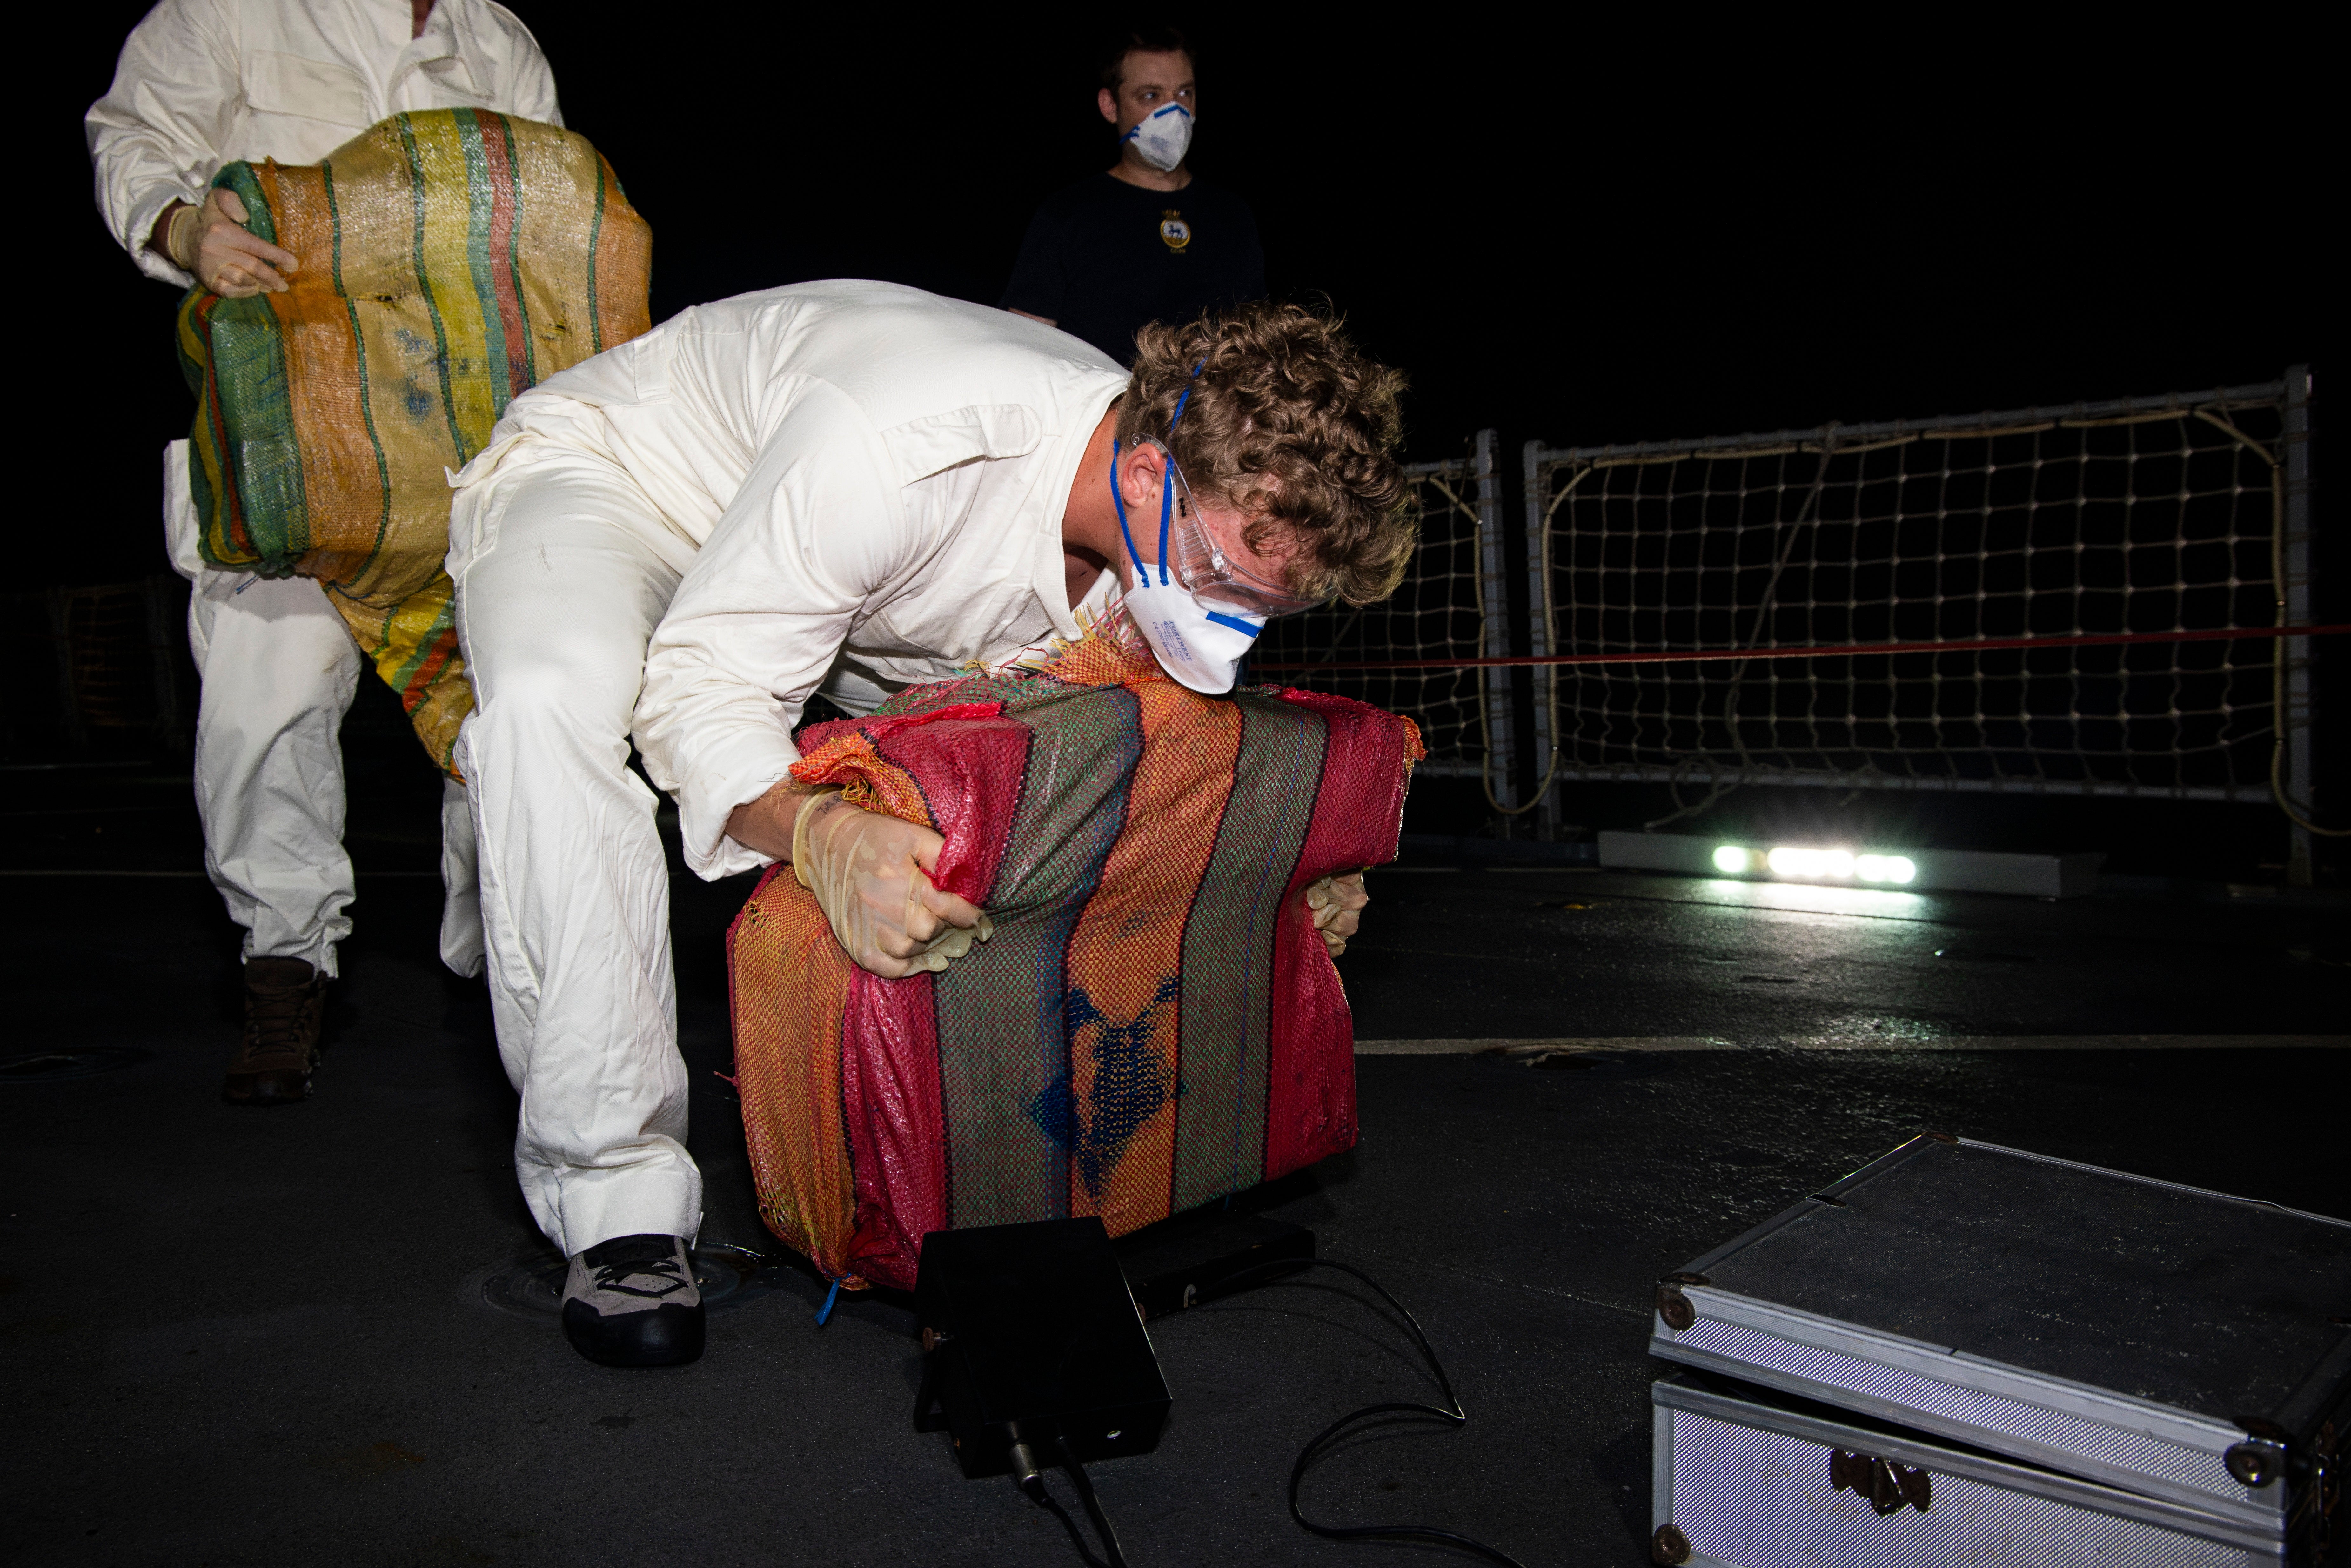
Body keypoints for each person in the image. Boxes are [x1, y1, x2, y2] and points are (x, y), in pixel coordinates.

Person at [446, 282, 1405, 1366]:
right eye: (1225, 579)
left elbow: (1146, 758)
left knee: (996, 814)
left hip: (860, 583)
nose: (1240, 625)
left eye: (1276, 604)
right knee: (553, 711)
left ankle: (510, 843)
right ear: (1145, 477)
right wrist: (822, 833)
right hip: (633, 488)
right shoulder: (906, 447)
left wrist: (1277, 870)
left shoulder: (1182, 503)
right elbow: (701, 693)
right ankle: (613, 1191)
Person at [84, 0, 560, 1106]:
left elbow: (544, 216)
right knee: (271, 694)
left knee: (503, 701)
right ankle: (283, 961)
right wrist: (181, 227)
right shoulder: (223, 12)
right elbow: (134, 132)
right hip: (293, 435)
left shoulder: (496, 39)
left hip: (462, 441)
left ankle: (506, 953)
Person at [1000, 25, 1265, 365]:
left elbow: (1259, 343)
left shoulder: (1233, 216)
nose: (1174, 113)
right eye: (1151, 96)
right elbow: (1024, 349)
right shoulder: (1067, 215)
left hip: (1213, 400)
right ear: (1110, 106)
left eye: (1184, 93)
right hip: (1107, 399)